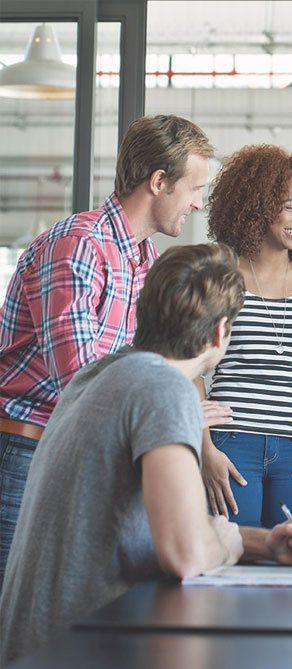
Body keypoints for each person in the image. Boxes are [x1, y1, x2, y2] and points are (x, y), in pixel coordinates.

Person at [0, 243, 292, 665]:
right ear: (221, 331)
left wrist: (263, 542)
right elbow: (186, 554)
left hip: (31, 666)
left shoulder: (101, 374)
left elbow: (157, 528)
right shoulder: (164, 389)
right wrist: (227, 547)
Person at [0, 115, 230, 589]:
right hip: (23, 447)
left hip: (74, 447)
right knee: (15, 602)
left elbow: (140, 370)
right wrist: (171, 408)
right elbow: (82, 381)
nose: (198, 202)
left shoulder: (142, 260)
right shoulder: (79, 245)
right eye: (193, 188)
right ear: (159, 181)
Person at [201, 144, 292, 527]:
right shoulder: (219, 270)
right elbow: (193, 364)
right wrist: (204, 446)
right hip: (231, 442)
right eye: (289, 205)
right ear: (257, 207)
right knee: (229, 555)